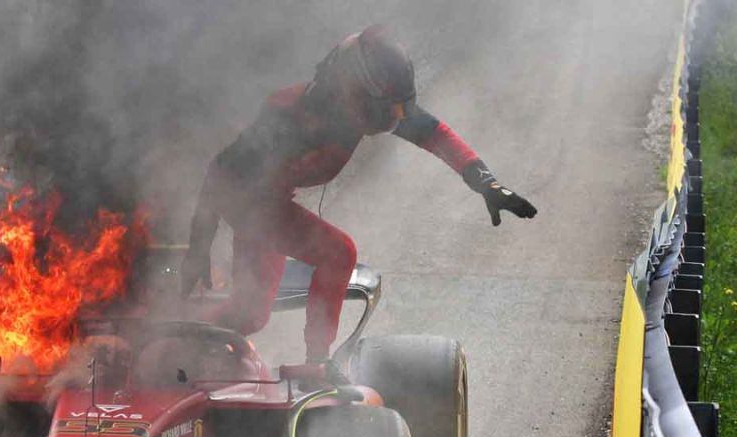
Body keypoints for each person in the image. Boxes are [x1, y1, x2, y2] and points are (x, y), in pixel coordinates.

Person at [179, 25, 537, 384]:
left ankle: (181, 338)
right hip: (245, 200)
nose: (392, 121)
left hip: (271, 202)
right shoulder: (287, 113)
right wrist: (198, 246)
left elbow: (435, 135)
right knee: (337, 253)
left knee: (251, 315)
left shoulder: (369, 108)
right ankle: (316, 364)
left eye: (397, 110)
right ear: (349, 91)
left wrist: (486, 184)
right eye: (384, 111)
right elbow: (220, 172)